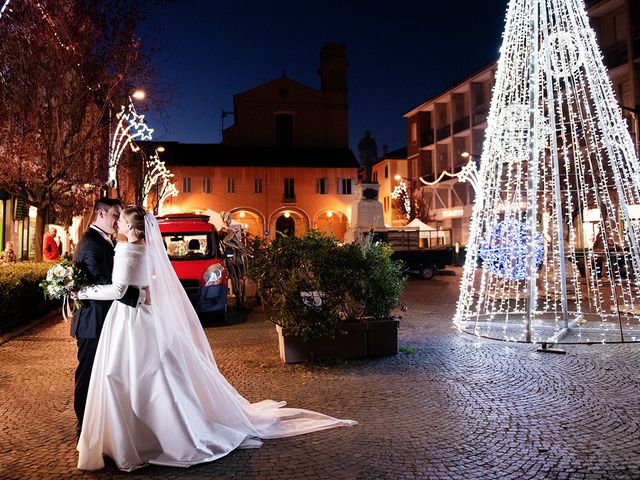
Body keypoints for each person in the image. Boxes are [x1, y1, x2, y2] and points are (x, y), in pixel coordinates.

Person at [75, 206, 356, 472]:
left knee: (122, 375)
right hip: (143, 316)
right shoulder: (146, 249)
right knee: (153, 375)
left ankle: (137, 439)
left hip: (129, 320)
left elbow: (119, 289)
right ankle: (158, 431)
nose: (118, 223)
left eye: (122, 220)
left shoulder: (125, 249)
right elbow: (144, 287)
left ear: (131, 227)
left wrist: (81, 292)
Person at [70, 198, 145, 436]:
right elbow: (105, 283)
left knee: (104, 373)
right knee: (88, 373)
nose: (117, 220)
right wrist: (139, 296)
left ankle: (101, 423)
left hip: (106, 319)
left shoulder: (106, 242)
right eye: (115, 214)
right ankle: (84, 424)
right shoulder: (90, 244)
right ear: (100, 214)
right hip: (93, 322)